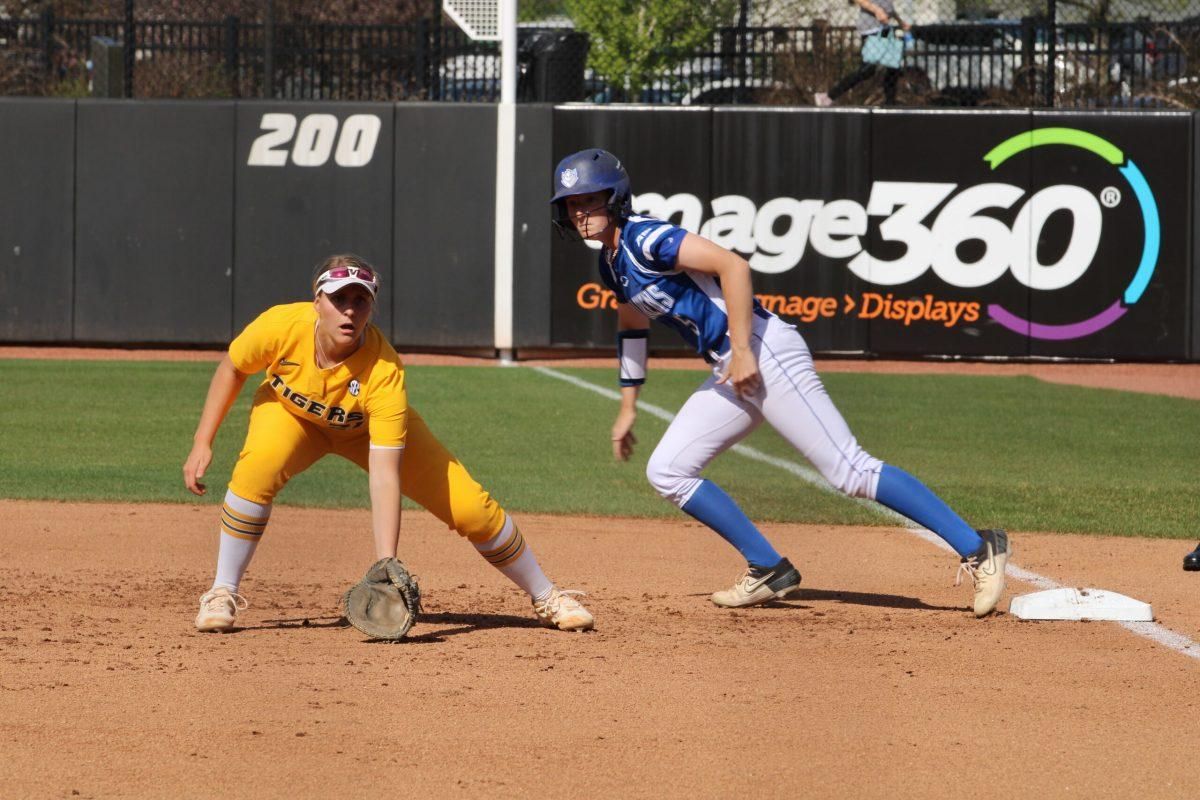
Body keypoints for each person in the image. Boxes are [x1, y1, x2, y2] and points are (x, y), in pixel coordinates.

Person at [549, 149, 1009, 616]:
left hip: (765, 351)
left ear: (616, 197)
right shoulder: (611, 264)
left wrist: (745, 349)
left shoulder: (648, 237)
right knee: (668, 470)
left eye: (589, 199)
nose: (580, 211)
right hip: (731, 366)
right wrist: (629, 405)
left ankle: (978, 548)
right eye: (571, 203)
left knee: (849, 470)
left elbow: (733, 266)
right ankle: (767, 567)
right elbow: (632, 325)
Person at [182, 254, 593, 633]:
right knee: (257, 470)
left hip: (364, 432)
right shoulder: (280, 325)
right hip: (294, 417)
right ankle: (222, 592)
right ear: (317, 302)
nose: (349, 310)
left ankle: (547, 595)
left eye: (360, 301)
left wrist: (386, 561)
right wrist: (203, 441)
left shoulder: (384, 371)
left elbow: (384, 474)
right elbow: (233, 369)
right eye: (339, 299)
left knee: (472, 509)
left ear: (371, 308)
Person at [814, 0, 910, 107]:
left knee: (892, 66)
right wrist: (877, 10)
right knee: (868, 69)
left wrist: (900, 21)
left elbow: (887, 5)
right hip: (872, 28)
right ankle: (828, 96)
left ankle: (890, 103)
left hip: (885, 27)